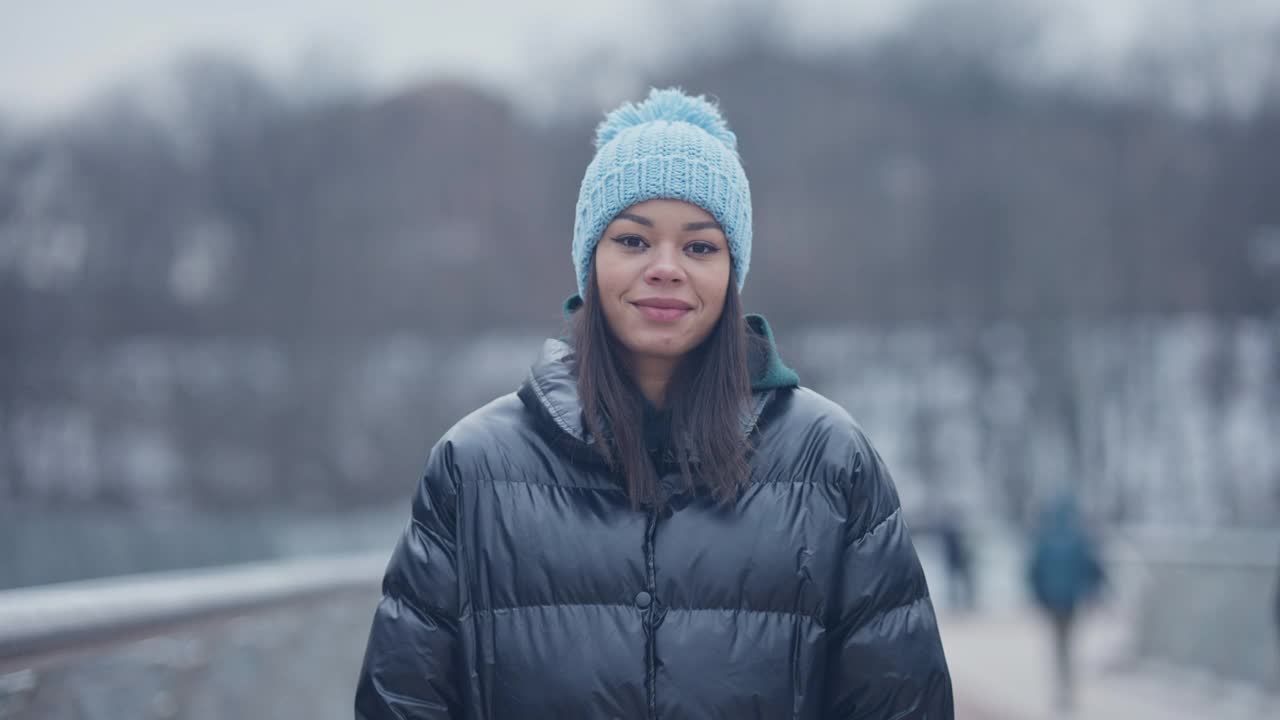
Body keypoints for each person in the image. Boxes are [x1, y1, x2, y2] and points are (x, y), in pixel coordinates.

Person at [354, 87, 953, 719]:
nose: (666, 268)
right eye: (633, 241)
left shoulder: (831, 461)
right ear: (590, 262)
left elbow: (901, 704)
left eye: (699, 246)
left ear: (732, 271)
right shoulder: (473, 467)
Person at [1026, 489, 1105, 714]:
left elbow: (1033, 570)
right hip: (1071, 601)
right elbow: (1092, 567)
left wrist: (1038, 595)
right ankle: (1068, 688)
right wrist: (1094, 591)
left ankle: (1061, 688)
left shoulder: (1044, 537)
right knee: (1068, 644)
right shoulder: (1078, 538)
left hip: (1052, 602)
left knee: (1058, 644)